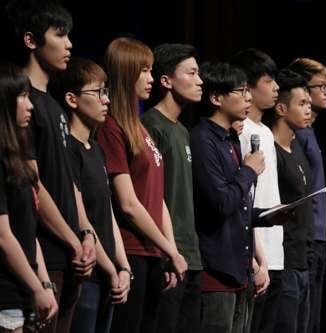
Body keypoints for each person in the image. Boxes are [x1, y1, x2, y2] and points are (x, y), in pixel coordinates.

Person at [5, 1, 96, 332]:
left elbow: (71, 181)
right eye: (60, 34)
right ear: (31, 41)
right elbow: (33, 182)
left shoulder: (55, 106)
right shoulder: (21, 103)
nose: (69, 44)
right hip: (47, 255)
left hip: (73, 255)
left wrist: (86, 234)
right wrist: (73, 241)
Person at [96, 37, 188, 333]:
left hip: (153, 253)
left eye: (151, 70)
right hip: (131, 250)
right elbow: (128, 203)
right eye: (144, 70)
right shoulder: (112, 127)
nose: (151, 78)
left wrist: (169, 251)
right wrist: (170, 251)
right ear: (126, 72)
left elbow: (157, 197)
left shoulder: (141, 128)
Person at [0, 58, 58, 333]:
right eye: (22, 97)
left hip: (21, 296)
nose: (30, 106)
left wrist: (43, 285)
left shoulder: (14, 161)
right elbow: (1, 235)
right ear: (1, 101)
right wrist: (35, 286)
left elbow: (28, 231)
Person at [191, 61, 280, 333]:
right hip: (216, 271)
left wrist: (268, 216)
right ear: (217, 98)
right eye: (241, 91)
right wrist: (249, 170)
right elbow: (221, 202)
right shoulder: (202, 138)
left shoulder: (229, 139)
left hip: (239, 271)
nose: (249, 98)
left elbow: (237, 205)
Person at [50, 57, 132, 333]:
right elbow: (81, 216)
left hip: (110, 276)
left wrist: (124, 267)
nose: (105, 99)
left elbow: (108, 212)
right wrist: (111, 270)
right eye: (97, 92)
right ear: (72, 99)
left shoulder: (95, 149)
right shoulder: (68, 150)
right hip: (89, 276)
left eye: (106, 92)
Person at [141, 43, 203, 333]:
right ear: (166, 81)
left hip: (190, 255)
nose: (199, 80)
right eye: (191, 72)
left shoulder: (181, 130)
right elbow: (148, 195)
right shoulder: (151, 125)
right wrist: (168, 251)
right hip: (167, 254)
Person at [231, 48, 282, 333]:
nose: (276, 88)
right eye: (268, 81)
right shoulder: (240, 129)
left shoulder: (264, 130)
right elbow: (242, 197)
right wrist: (254, 257)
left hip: (272, 252)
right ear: (248, 86)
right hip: (252, 251)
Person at [287, 58, 326, 333]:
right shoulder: (299, 134)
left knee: (312, 319)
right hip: (306, 236)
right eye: (322, 86)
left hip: (319, 236)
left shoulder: (310, 132)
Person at [270, 69, 313, 333]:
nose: (309, 110)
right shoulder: (272, 151)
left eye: (309, 104)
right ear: (282, 109)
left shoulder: (297, 147)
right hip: (283, 263)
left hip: (303, 261)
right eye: (302, 104)